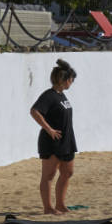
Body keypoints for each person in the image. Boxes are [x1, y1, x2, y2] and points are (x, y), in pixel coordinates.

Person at [30, 59, 79, 215]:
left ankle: (60, 204)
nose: (72, 82)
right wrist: (49, 129)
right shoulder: (49, 95)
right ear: (63, 79)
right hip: (52, 141)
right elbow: (34, 111)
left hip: (66, 140)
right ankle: (48, 207)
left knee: (68, 172)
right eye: (71, 79)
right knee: (49, 175)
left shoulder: (61, 95)